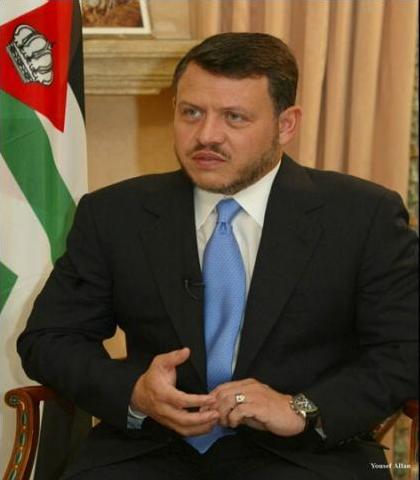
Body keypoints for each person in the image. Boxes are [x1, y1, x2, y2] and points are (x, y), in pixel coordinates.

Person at [18, 32, 418, 480]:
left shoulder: (362, 216)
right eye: (191, 112)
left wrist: (301, 409)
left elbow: (404, 350)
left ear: (286, 124)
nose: (206, 135)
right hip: (149, 451)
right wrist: (135, 392)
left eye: (234, 117)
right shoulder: (115, 213)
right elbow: (49, 339)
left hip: (303, 456)